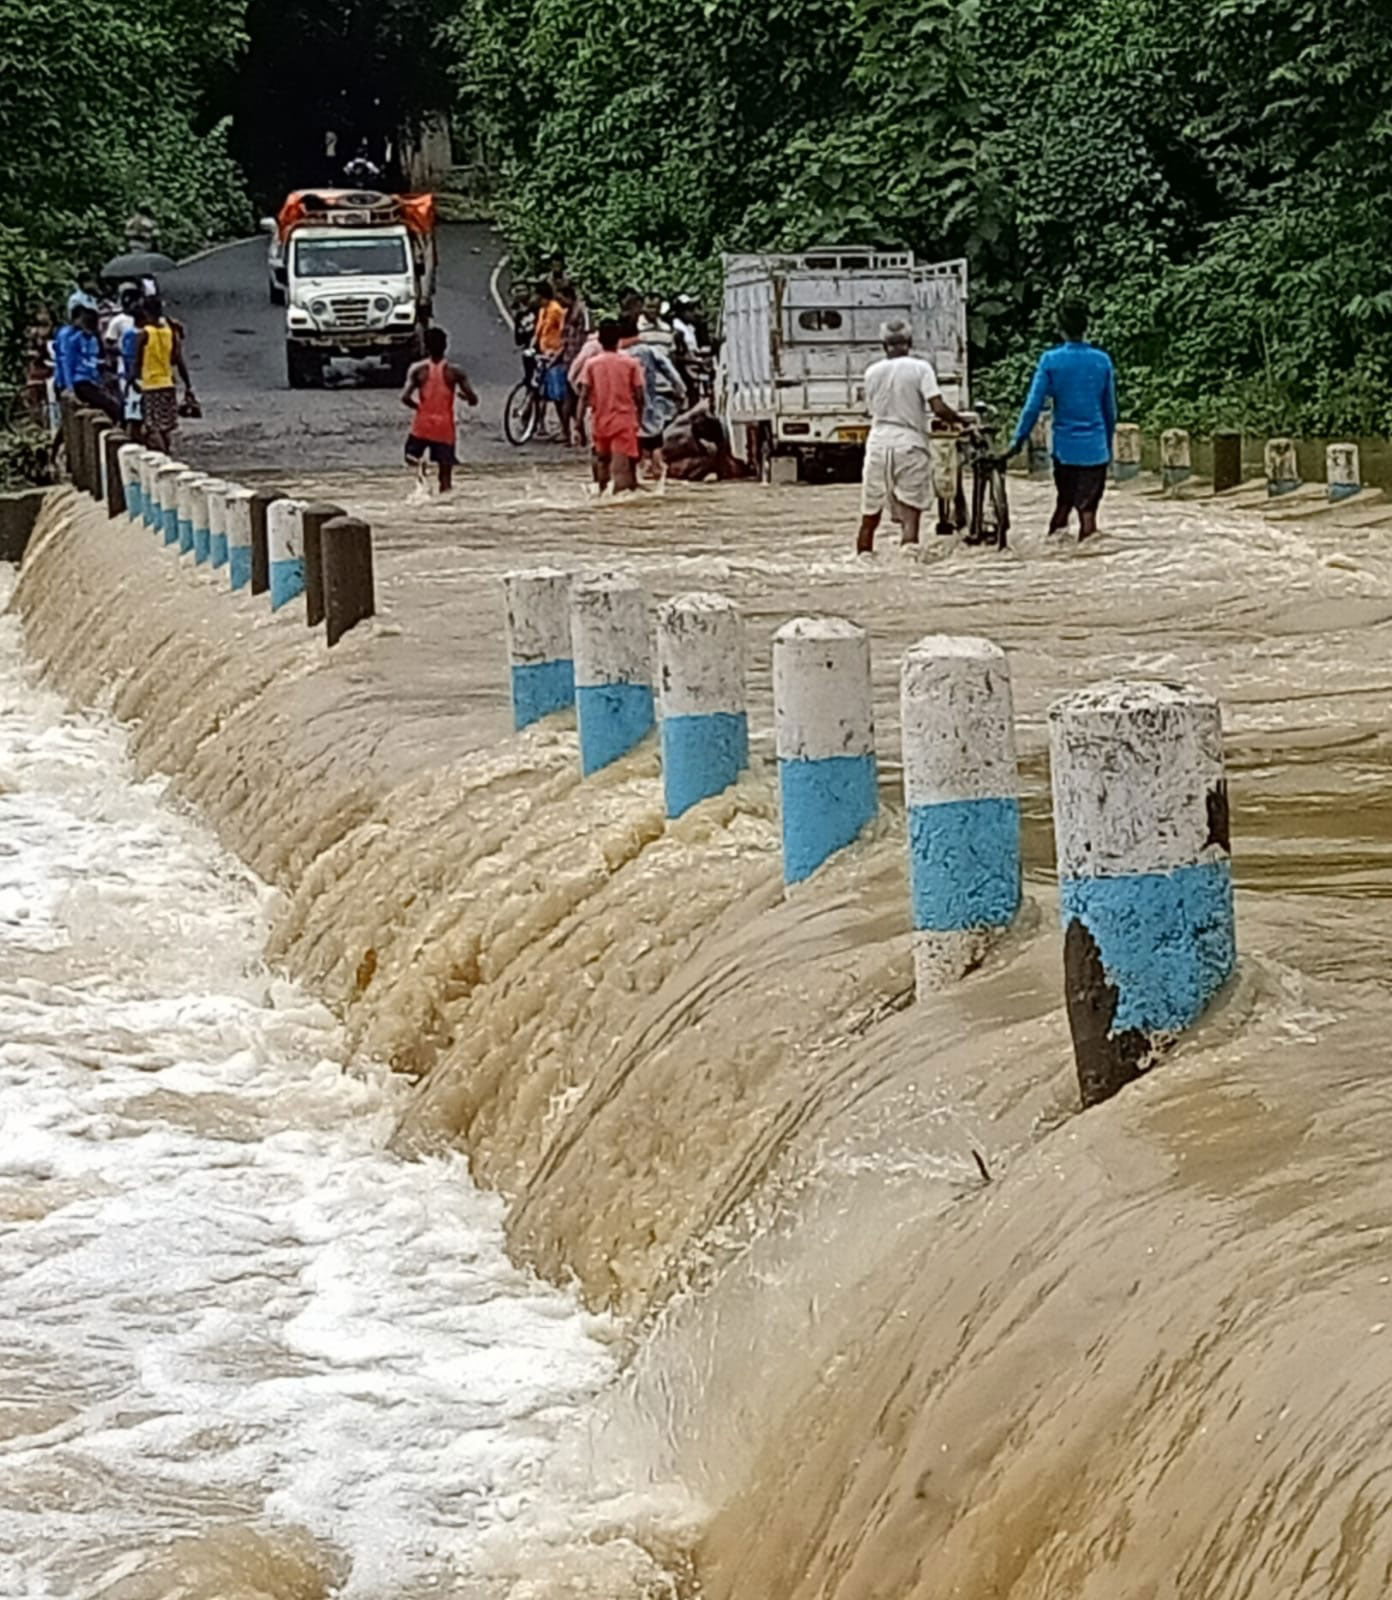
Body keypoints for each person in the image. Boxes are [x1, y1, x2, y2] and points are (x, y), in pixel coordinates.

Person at [1006, 298, 1118, 541]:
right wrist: (1107, 446)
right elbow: (1110, 411)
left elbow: (1033, 407)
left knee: (1063, 504)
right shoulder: (1102, 361)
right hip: (1095, 451)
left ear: (1060, 328)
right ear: (1086, 326)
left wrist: (1018, 441)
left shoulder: (1050, 361)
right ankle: (1091, 559)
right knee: (1088, 514)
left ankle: (1052, 557)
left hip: (1065, 451)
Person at [856, 317, 967, 553]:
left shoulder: (871, 372)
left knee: (869, 518)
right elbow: (938, 408)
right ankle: (908, 561)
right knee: (910, 518)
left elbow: (871, 409)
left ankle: (863, 556)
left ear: (884, 345)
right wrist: (960, 420)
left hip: (877, 446)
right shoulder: (920, 368)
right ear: (910, 342)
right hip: (909, 446)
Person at [400, 326, 479, 495]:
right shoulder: (455, 372)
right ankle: (445, 502)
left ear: (426, 347)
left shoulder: (418, 370)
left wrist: (419, 407)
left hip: (422, 425)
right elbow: (473, 399)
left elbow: (405, 397)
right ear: (446, 346)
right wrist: (466, 398)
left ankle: (422, 483)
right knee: (445, 477)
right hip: (444, 428)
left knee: (410, 457)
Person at [577, 318, 644, 495]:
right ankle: (619, 503)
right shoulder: (631, 363)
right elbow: (639, 395)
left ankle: (600, 495)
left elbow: (583, 396)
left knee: (602, 461)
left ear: (600, 340)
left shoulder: (591, 364)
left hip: (599, 421)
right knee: (621, 468)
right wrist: (640, 418)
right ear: (619, 339)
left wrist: (578, 425)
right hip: (624, 421)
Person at [619, 315, 684, 477]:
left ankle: (637, 471)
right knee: (655, 437)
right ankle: (657, 470)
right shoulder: (648, 351)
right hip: (650, 399)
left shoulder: (617, 355)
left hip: (624, 405)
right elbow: (669, 370)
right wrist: (680, 390)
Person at [134, 297, 182, 451]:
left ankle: (163, 453)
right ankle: (167, 451)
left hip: (151, 385)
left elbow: (137, 361)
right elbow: (176, 359)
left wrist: (133, 380)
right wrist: (187, 385)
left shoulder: (145, 333)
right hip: (167, 383)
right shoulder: (169, 331)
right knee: (165, 426)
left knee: (152, 426)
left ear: (145, 312)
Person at [59, 305, 120, 423]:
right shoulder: (73, 339)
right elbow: (67, 363)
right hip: (80, 381)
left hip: (93, 380)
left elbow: (94, 360)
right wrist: (69, 388)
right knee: (111, 407)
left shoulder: (93, 340)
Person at [533, 281, 567, 435]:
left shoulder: (556, 310)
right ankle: (540, 423)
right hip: (543, 352)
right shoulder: (543, 310)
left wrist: (558, 351)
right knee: (539, 390)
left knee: (557, 393)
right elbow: (539, 331)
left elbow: (563, 331)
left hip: (554, 355)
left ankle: (565, 428)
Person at [558, 280, 590, 446]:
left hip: (579, 359)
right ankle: (573, 431)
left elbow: (587, 333)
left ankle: (575, 431)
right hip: (568, 358)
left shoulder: (581, 312)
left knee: (575, 398)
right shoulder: (568, 313)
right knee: (569, 399)